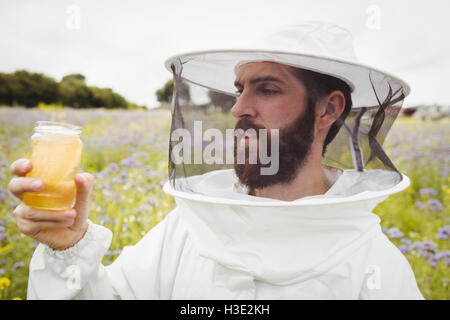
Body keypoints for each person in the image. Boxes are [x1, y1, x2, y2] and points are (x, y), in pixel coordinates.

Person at [8, 22, 424, 299]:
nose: (238, 107)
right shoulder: (186, 227)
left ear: (328, 109)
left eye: (266, 89)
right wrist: (69, 251)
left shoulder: (379, 272)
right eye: (239, 88)